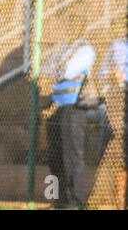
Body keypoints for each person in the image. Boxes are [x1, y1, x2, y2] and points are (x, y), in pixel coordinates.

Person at [44, 40, 96, 209]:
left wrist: (58, 67)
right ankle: (58, 201)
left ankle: (76, 202)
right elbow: (47, 70)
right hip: (55, 109)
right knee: (54, 157)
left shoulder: (86, 49)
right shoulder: (63, 49)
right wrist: (58, 67)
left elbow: (65, 71)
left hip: (73, 110)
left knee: (71, 157)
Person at [99, 34, 128, 210]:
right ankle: (120, 203)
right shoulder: (117, 45)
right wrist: (112, 77)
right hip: (119, 98)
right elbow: (103, 72)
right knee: (120, 154)